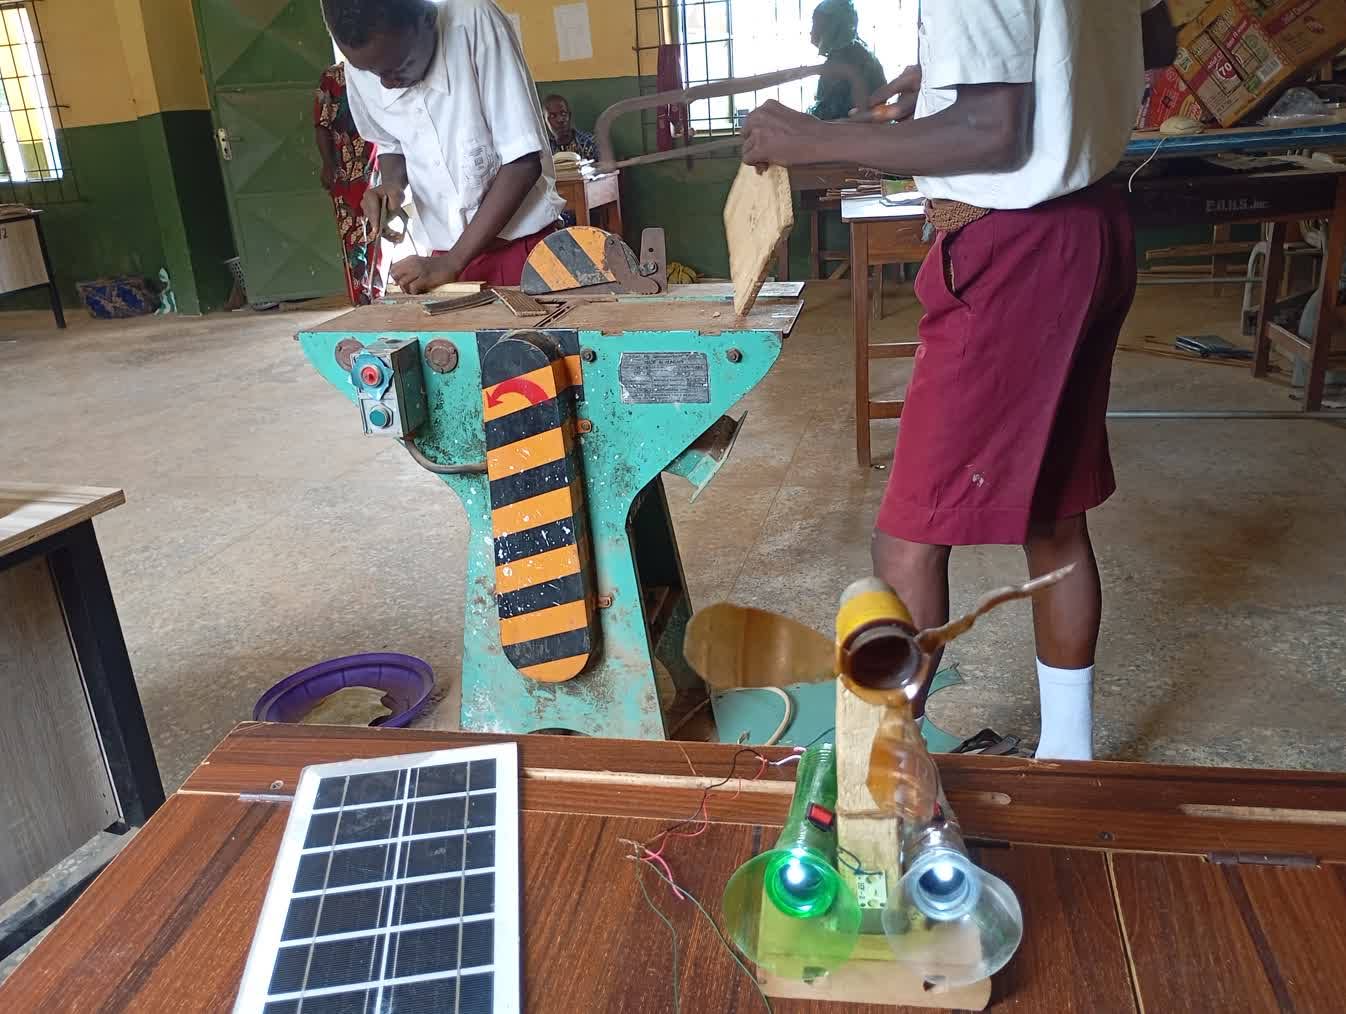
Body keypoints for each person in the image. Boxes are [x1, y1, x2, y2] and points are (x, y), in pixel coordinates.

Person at [742, 2, 1177, 760]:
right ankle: (1068, 761)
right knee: (1056, 516)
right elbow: (1158, 36)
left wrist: (812, 137)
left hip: (1017, 246)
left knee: (908, 540)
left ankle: (891, 780)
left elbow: (993, 134)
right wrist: (942, 92)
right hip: (1091, 225)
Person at [321, 0, 564, 292]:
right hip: (441, 261)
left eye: (400, 66)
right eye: (371, 72)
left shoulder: (473, 20)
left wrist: (453, 261)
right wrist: (392, 185)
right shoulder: (366, 61)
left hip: (520, 251)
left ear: (427, 18)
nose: (385, 84)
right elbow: (391, 141)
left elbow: (522, 163)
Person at [314, 62, 383, 305]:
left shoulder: (379, 68)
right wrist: (328, 164)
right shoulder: (333, 77)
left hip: (378, 166)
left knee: (376, 229)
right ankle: (361, 298)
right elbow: (322, 125)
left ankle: (377, 294)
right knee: (352, 235)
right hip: (345, 171)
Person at [808, 0, 885, 123]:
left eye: (815, 24)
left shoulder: (843, 60)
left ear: (833, 27)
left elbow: (834, 115)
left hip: (853, 134)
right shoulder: (861, 52)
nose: (811, 32)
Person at [544, 94, 598, 160]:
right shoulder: (543, 150)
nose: (560, 119)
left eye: (563, 113)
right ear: (545, 120)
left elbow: (604, 167)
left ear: (569, 116)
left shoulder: (589, 142)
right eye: (553, 116)